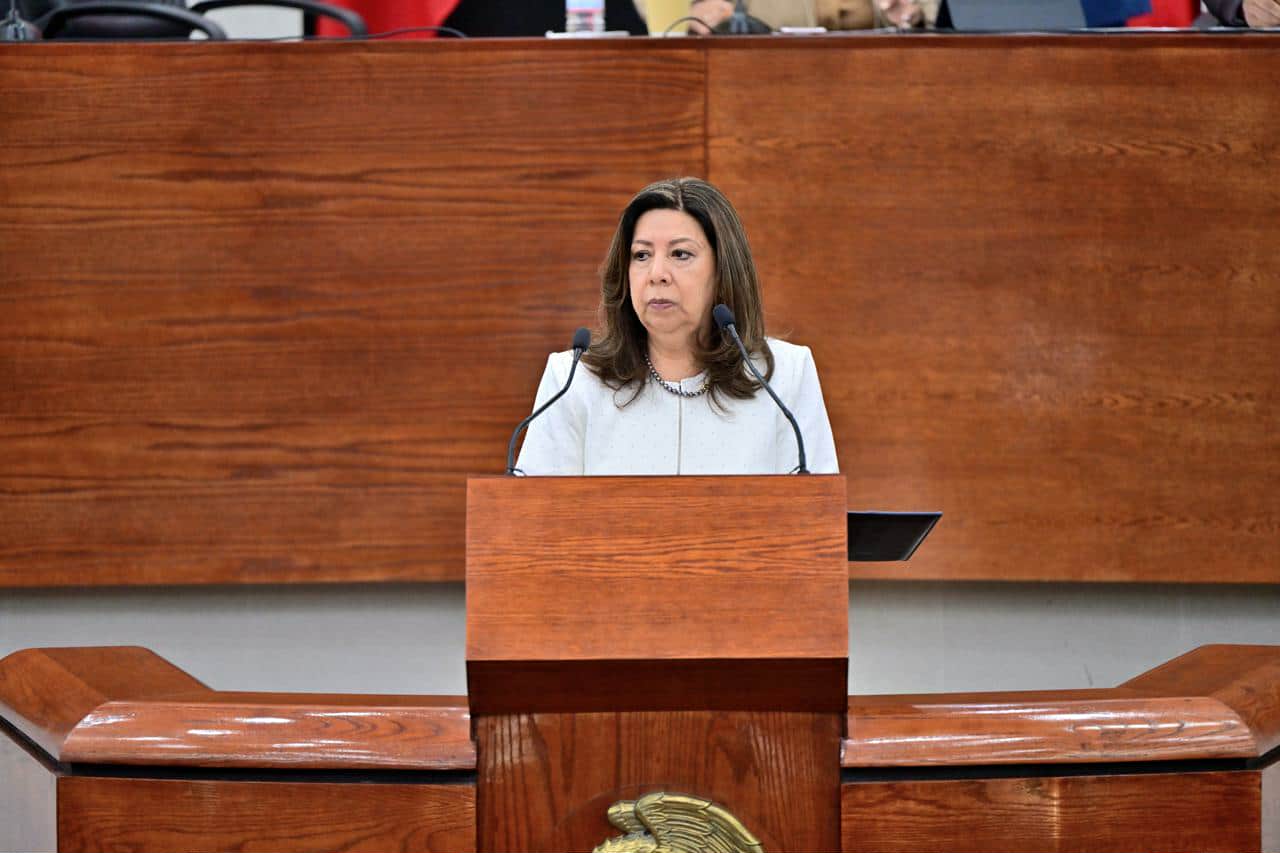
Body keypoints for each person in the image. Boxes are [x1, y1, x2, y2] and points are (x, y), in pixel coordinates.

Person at [515, 177, 839, 476]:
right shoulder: (573, 381)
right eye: (642, 255)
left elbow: (816, 514)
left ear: (723, 270)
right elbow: (535, 515)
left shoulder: (784, 377)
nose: (657, 273)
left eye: (680, 254)